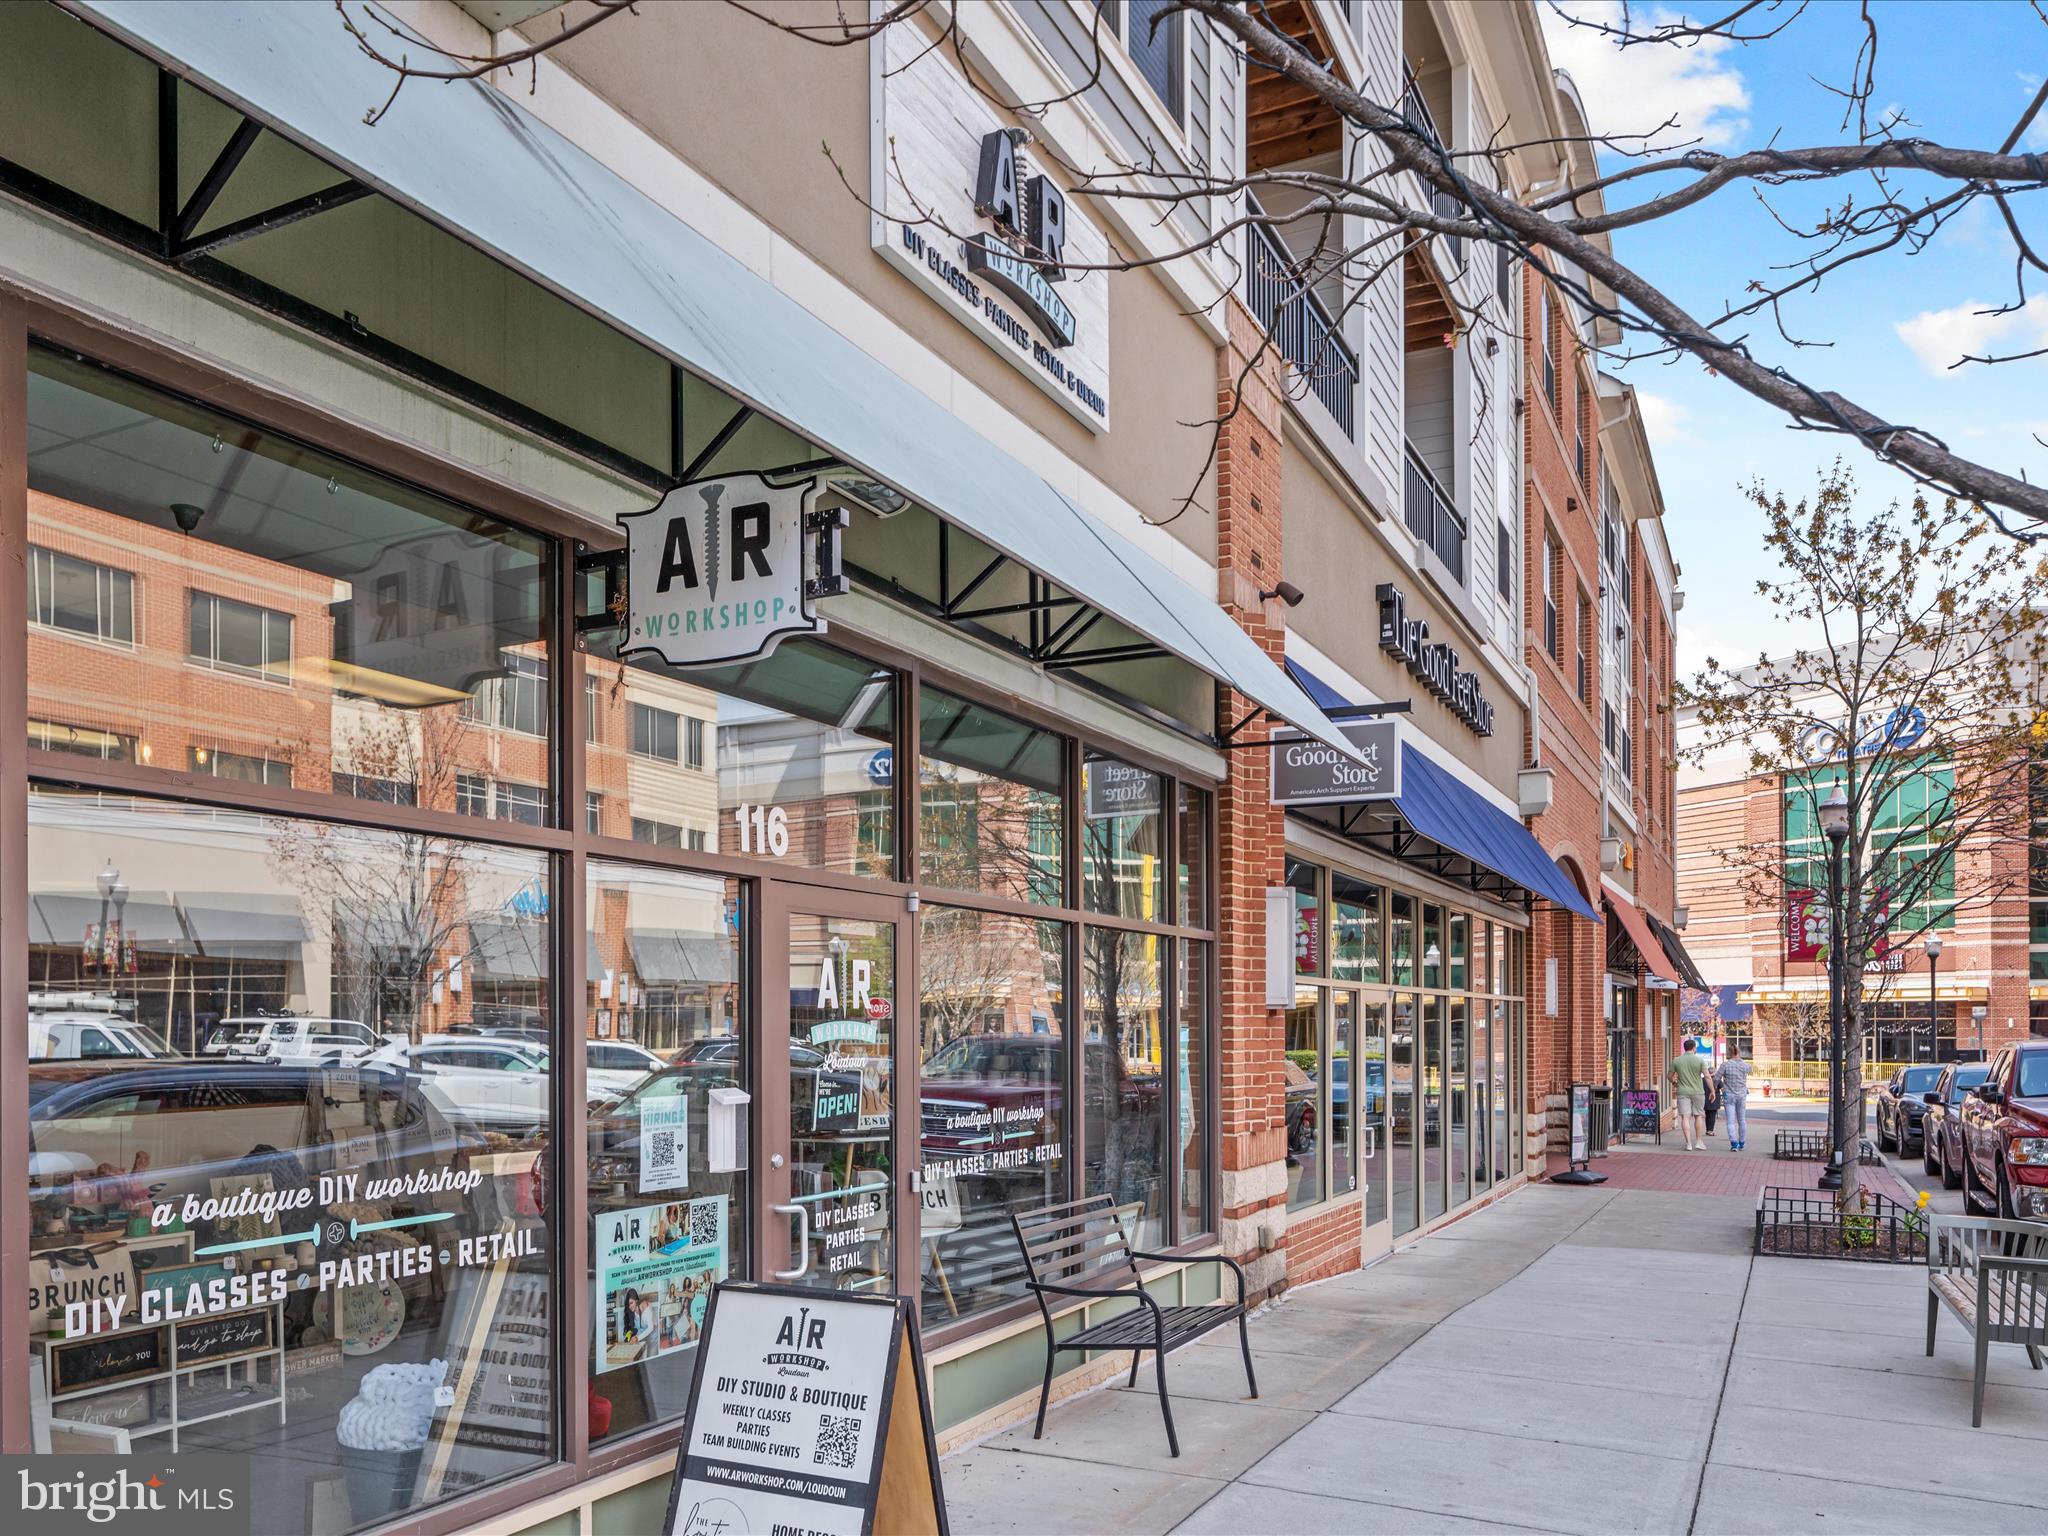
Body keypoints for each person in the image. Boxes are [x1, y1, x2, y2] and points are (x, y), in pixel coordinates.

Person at [1668, 1037, 1709, 1150]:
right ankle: (1699, 1142)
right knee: (1698, 1116)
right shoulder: (1699, 1060)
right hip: (1698, 1091)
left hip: (1682, 1091)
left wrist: (1675, 1083)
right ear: (1694, 1048)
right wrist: (1712, 1090)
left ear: (1684, 1048)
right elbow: (1707, 1076)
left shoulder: (1677, 1060)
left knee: (1685, 1117)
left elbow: (1669, 1076)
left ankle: (1688, 1143)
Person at [1717, 1044, 1752, 1151]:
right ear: (1739, 1052)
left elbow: (1716, 1078)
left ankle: (1733, 1143)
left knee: (1730, 1121)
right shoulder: (1745, 1065)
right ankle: (1742, 1142)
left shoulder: (1725, 1065)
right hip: (1741, 1095)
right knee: (1742, 1120)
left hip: (1729, 1096)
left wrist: (1721, 1087)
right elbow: (1750, 1070)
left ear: (1730, 1053)